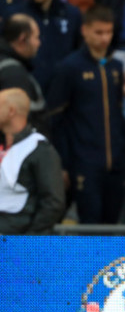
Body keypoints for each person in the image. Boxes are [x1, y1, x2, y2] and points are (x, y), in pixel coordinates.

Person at [47, 5, 125, 224]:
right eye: (98, 32)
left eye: (108, 32)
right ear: (85, 31)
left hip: (115, 163)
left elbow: (118, 113)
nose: (104, 38)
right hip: (84, 161)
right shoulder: (70, 68)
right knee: (91, 225)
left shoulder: (115, 67)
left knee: (111, 224)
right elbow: (55, 118)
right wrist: (62, 163)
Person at [0, 87, 64, 234]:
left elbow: (53, 202)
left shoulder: (39, 148)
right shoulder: (4, 145)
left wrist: (29, 238)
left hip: (19, 242)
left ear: (11, 111)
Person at [11, 0, 82, 94]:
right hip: (29, 85)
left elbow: (78, 49)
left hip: (63, 87)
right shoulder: (18, 16)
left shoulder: (72, 14)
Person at [0, 14, 47, 139]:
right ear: (22, 39)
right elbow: (15, 124)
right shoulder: (14, 75)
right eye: (36, 37)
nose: (38, 43)